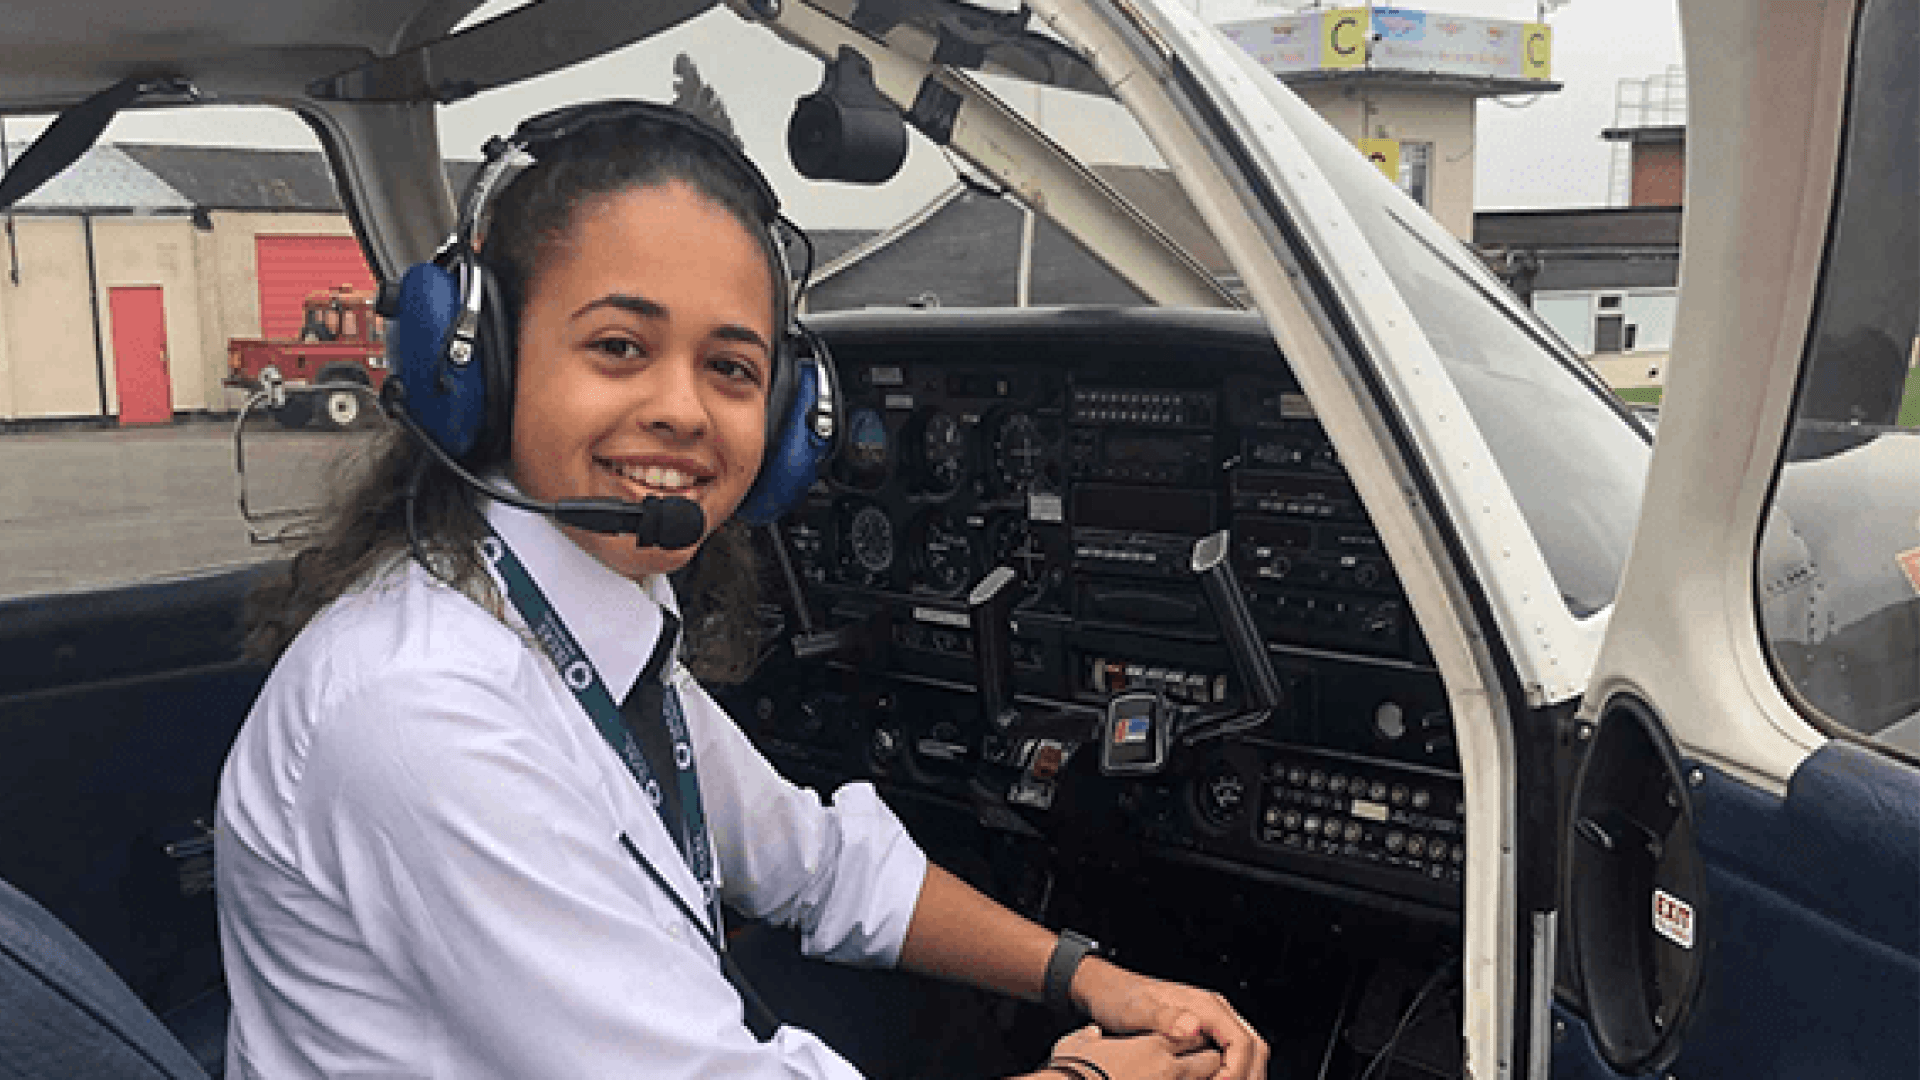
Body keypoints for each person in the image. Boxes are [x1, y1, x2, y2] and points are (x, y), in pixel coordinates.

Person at [215, 101, 1269, 1080]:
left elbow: (817, 866)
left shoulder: (575, 623)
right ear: (481, 367)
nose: (682, 410)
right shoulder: (426, 709)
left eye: (731, 368)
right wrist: (1089, 1072)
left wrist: (1093, 978)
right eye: (619, 347)